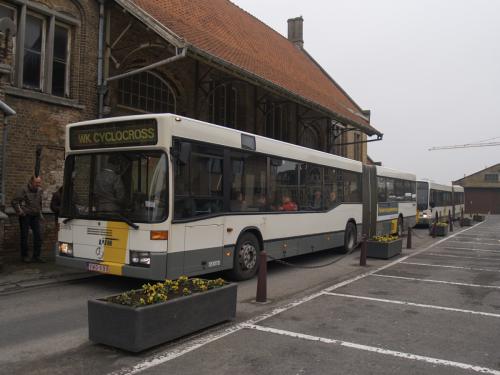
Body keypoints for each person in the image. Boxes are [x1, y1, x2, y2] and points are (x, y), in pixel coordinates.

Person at [11, 176, 44, 263]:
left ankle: (36, 256)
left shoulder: (40, 190)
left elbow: (39, 203)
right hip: (26, 216)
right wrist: (20, 212)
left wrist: (40, 214)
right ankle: (24, 256)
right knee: (24, 236)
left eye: (39, 182)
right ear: (31, 182)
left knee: (38, 236)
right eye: (37, 183)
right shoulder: (23, 189)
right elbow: (14, 201)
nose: (38, 184)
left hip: (35, 216)